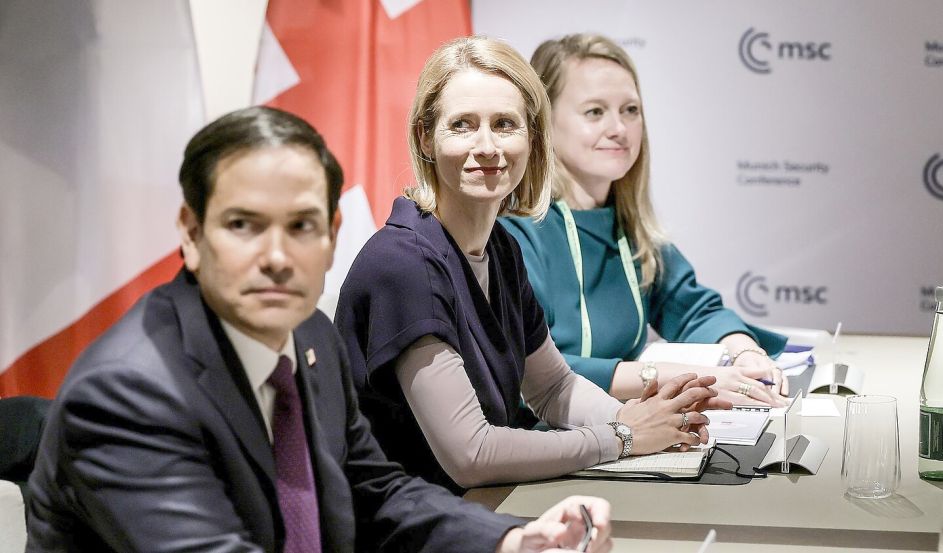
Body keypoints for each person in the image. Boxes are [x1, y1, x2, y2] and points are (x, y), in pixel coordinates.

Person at [26, 106, 613, 553]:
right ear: (190, 232)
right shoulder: (127, 393)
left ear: (333, 234)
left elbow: (375, 491)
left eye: (302, 226)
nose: (277, 256)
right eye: (243, 225)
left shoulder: (309, 337)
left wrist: (511, 540)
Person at [335, 37, 728, 495]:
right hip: (405, 528)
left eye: (505, 124)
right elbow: (472, 455)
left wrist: (640, 421)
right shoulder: (402, 265)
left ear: (533, 137)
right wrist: (622, 437)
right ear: (426, 136)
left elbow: (552, 387)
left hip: (476, 510)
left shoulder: (499, 247)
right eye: (462, 125)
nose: (486, 146)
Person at [500, 33, 788, 406]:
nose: (619, 128)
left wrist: (746, 355)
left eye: (630, 110)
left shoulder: (630, 228)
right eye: (595, 112)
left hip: (620, 434)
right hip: (546, 445)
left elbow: (693, 309)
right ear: (544, 123)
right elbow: (530, 372)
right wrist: (680, 378)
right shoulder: (515, 234)